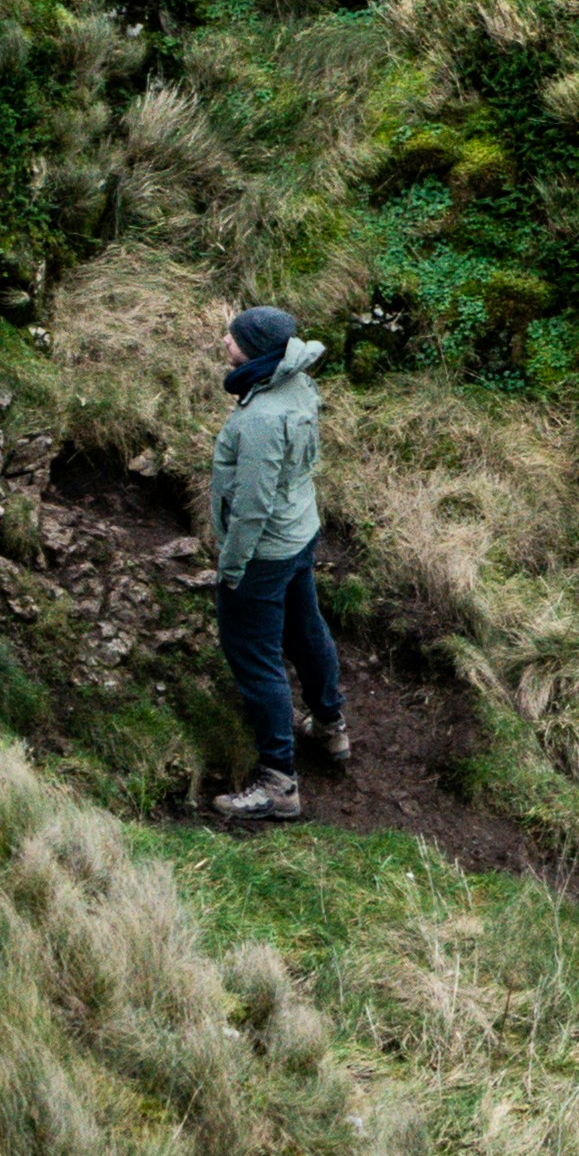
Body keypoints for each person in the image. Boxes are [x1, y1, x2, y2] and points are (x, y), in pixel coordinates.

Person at [207, 301, 346, 820]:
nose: (226, 341)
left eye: (235, 337)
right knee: (306, 630)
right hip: (300, 531)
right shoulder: (296, 384)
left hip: (263, 551)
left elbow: (251, 507)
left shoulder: (262, 418)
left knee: (256, 657)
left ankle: (278, 783)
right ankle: (330, 727)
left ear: (257, 351)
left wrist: (232, 568)